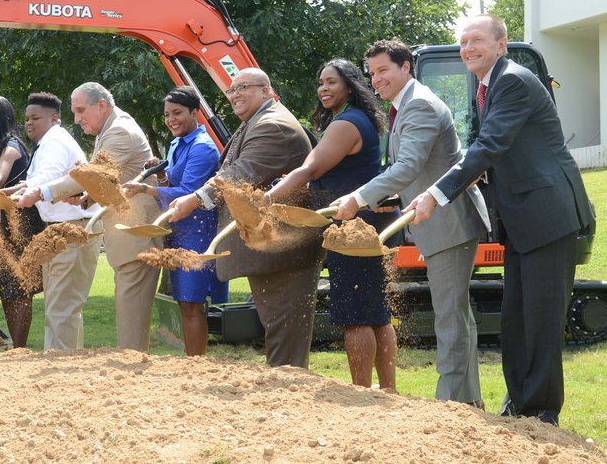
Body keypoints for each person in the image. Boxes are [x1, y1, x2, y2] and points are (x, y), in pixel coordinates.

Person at [407, 14, 594, 425]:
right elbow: (485, 149)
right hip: (523, 221)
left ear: (501, 45)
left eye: (477, 40)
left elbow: (490, 145)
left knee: (541, 321)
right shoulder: (488, 85)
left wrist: (437, 193)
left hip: (548, 216)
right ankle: (519, 404)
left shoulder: (511, 80)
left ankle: (541, 412)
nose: (468, 48)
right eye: (463, 42)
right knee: (517, 320)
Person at [332, 39, 490, 405]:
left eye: (384, 70)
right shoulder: (405, 105)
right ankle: (467, 402)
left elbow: (407, 167)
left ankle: (451, 404)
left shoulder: (418, 104)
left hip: (449, 224)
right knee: (457, 317)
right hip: (444, 222)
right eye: (372, 73)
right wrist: (382, 196)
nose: (376, 80)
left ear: (406, 67)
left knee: (450, 321)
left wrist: (358, 198)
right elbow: (410, 170)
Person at [169, 68, 324, 368]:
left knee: (284, 330)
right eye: (231, 90)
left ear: (266, 90)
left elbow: (239, 175)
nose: (235, 95)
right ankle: (286, 390)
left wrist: (194, 198)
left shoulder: (272, 125)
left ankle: (289, 393)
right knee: (277, 327)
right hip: (271, 248)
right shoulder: (258, 121)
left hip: (283, 249)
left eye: (244, 88)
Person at [262, 60, 398, 388]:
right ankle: (388, 389)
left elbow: (309, 169)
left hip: (352, 228)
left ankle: (362, 391)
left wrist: (266, 199)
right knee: (376, 312)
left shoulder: (346, 123)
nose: (323, 88)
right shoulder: (357, 119)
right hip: (367, 223)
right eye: (320, 82)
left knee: (355, 315)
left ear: (349, 86)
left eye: (331, 82)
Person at [15, 82, 162, 352]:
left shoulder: (119, 131)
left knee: (131, 322)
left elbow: (93, 175)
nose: (77, 119)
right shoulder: (112, 128)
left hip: (135, 235)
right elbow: (107, 179)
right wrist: (88, 197)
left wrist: (40, 192)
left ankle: (130, 380)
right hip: (127, 235)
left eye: (81, 111)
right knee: (127, 318)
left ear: (102, 105)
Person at [123, 86, 228, 356]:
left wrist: (146, 189)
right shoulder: (175, 143)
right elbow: (172, 182)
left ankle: (196, 363)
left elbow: (188, 192)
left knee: (191, 302)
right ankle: (193, 360)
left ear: (196, 113)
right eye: (167, 114)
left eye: (178, 113)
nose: (171, 120)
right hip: (178, 229)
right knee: (183, 300)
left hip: (198, 230)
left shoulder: (203, 147)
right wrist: (157, 174)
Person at [11, 92, 99, 350]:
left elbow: (44, 180)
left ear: (55, 119)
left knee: (62, 307)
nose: (29, 123)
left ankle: (62, 367)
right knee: (59, 306)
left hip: (74, 229)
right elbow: (33, 182)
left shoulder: (55, 141)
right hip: (63, 230)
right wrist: (1, 195)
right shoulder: (49, 142)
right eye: (26, 118)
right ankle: (60, 361)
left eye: (36, 118)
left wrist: (23, 194)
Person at [0, 95, 45, 348]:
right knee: (7, 288)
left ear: (4, 118)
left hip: (21, 226)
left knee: (19, 288)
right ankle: (15, 346)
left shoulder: (12, 145)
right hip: (0, 228)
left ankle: (19, 348)